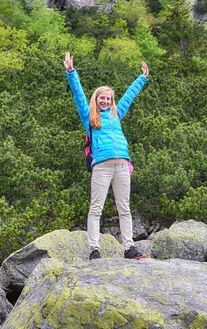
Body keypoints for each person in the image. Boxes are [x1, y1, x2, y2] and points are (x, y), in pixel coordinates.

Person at [64, 51, 149, 260]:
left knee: (124, 208)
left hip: (122, 165)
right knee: (96, 208)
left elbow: (129, 96)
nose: (105, 101)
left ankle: (129, 248)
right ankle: (94, 249)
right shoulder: (89, 117)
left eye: (108, 99)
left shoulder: (116, 114)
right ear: (97, 99)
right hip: (101, 166)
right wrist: (70, 72)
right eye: (102, 98)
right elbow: (78, 94)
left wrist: (142, 78)